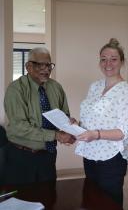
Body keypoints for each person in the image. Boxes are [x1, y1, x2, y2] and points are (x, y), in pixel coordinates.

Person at [75, 38, 128, 206]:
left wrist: (96, 134)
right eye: (103, 59)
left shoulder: (125, 92)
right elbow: (89, 118)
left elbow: (123, 132)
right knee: (92, 199)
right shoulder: (95, 86)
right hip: (90, 155)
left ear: (121, 62)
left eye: (113, 59)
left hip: (111, 160)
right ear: (99, 62)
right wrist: (75, 125)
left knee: (109, 203)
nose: (108, 63)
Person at [4, 47, 75, 184]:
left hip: (48, 155)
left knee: (48, 197)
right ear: (28, 66)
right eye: (41, 65)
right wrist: (56, 135)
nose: (47, 69)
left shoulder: (56, 87)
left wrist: (69, 126)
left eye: (49, 65)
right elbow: (19, 126)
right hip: (21, 156)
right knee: (23, 199)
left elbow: (64, 115)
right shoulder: (16, 89)